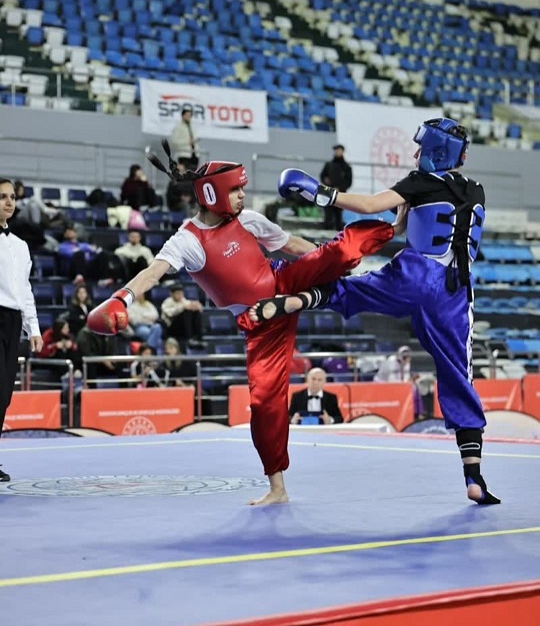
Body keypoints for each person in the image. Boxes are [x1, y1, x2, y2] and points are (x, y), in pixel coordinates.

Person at [87, 152, 393, 505]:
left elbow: (290, 244)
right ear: (213, 193)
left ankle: (394, 229)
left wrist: (329, 262)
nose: (242, 196)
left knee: (339, 251)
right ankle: (277, 488)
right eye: (235, 190)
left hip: (285, 282)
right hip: (261, 323)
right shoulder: (187, 241)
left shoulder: (247, 219)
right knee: (264, 405)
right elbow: (153, 272)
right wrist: (122, 298)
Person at [248, 117, 500, 506]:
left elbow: (368, 205)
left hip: (418, 274)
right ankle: (474, 477)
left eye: (421, 148)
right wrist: (400, 222)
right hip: (456, 293)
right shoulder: (478, 190)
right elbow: (432, 224)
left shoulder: (420, 182)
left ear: (434, 152)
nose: (416, 154)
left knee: (353, 290)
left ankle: (295, 298)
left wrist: (319, 192)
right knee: (458, 377)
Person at [0, 178, 43, 481]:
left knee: (4, 395)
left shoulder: (21, 245)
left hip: (13, 322)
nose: (9, 202)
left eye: (12, 197)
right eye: (2, 196)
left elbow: (25, 290)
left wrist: (34, 329)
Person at [160, 282, 205, 349]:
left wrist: (197, 306)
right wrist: (182, 308)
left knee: (195, 311)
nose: (180, 295)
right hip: (171, 327)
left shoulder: (184, 300)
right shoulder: (167, 302)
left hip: (183, 328)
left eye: (181, 293)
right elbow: (169, 314)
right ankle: (189, 338)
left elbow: (198, 308)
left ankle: (199, 338)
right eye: (177, 293)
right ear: (171, 294)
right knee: (186, 311)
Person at [320, 144, 353, 230]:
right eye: (336, 150)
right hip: (328, 192)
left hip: (340, 194)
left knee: (339, 214)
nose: (337, 152)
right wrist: (326, 182)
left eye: (339, 150)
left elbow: (349, 182)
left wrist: (339, 188)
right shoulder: (329, 165)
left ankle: (338, 231)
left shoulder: (346, 167)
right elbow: (322, 176)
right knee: (328, 213)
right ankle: (327, 229)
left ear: (342, 152)